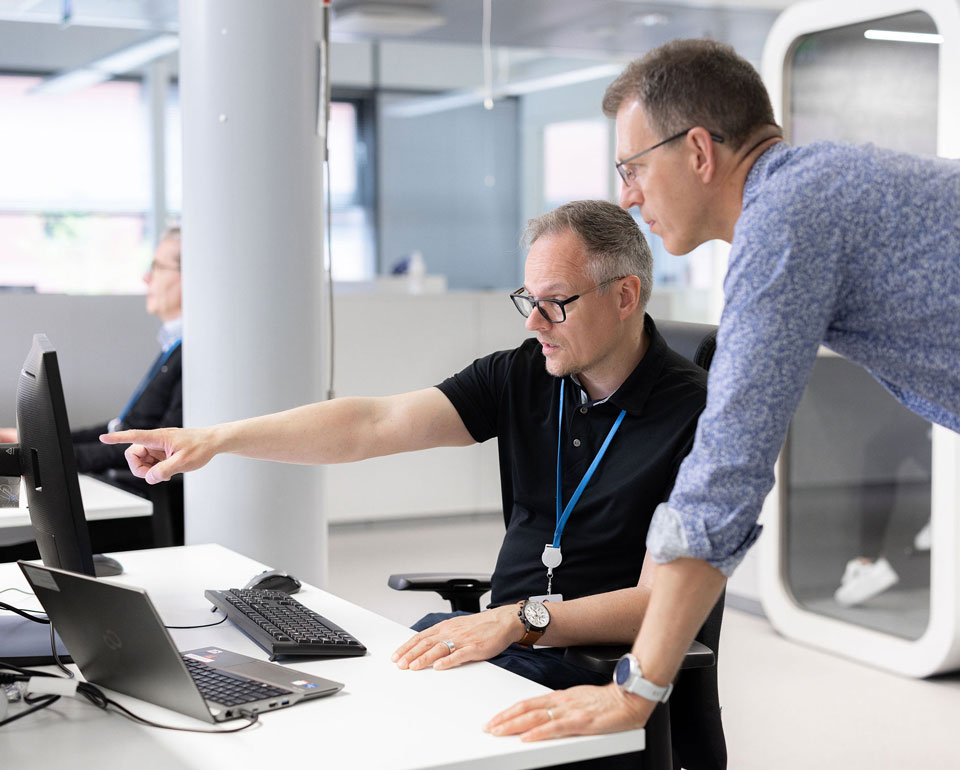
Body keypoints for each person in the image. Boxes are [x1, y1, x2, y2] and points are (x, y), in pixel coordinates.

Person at [103, 201, 721, 768]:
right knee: (329, 718)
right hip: (499, 648)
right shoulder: (527, 373)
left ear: (624, 295)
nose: (535, 322)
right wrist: (217, 439)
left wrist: (519, 620)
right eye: (527, 300)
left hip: (597, 674)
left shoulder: (699, 415)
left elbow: (661, 601)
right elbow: (371, 424)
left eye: (556, 302)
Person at [483, 38, 960, 743]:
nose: (627, 195)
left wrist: (636, 690)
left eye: (633, 168)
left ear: (699, 151)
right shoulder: (814, 189)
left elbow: (726, 473)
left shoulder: (786, 221)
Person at [0, 228, 183, 473]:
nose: (146, 278)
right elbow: (120, 430)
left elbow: (158, 448)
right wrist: (37, 443)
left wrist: (46, 458)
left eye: (157, 267)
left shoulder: (190, 353)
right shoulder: (173, 346)